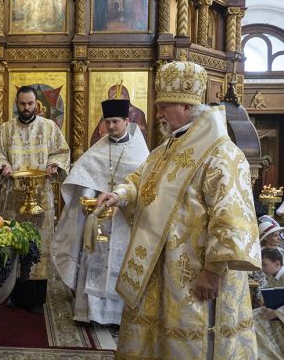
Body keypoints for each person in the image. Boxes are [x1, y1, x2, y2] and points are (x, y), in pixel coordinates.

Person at [97, 59, 261, 359]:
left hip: (196, 276)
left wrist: (212, 273)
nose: (157, 112)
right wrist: (119, 195)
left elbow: (232, 219)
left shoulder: (222, 154)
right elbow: (140, 180)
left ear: (187, 107)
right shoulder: (166, 148)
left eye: (165, 105)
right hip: (159, 270)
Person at [52, 98, 149, 326]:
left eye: (115, 121)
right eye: (107, 122)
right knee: (94, 258)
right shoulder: (99, 148)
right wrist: (88, 198)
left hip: (125, 220)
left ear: (127, 120)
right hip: (98, 217)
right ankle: (90, 313)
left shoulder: (140, 152)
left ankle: (118, 315)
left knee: (119, 261)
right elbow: (82, 176)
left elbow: (145, 186)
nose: (111, 127)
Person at [0, 85, 70, 313]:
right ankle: (13, 294)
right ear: (17, 104)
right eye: (22, 104)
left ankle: (36, 299)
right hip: (13, 199)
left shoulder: (49, 128)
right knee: (14, 242)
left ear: (37, 104)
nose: (26, 108)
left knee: (39, 243)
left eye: (30, 104)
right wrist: (3, 166)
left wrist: (54, 164)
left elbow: (62, 151)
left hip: (41, 197)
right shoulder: (6, 129)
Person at [253, 248, 284, 358]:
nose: (262, 268)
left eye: (264, 265)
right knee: (252, 316)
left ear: (277, 263)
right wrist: (267, 306)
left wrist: (276, 313)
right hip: (277, 315)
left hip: (279, 315)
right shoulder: (272, 277)